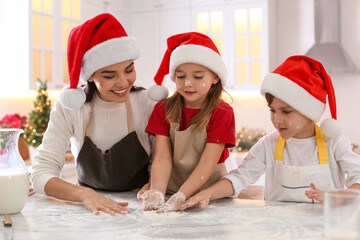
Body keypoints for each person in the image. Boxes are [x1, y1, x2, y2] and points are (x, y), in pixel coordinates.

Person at [179, 55, 360, 209]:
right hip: (279, 229)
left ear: (308, 111)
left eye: (286, 111)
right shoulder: (269, 144)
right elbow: (240, 177)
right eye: (272, 110)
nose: (277, 119)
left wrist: (340, 195)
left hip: (324, 227)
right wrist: (208, 194)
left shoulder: (334, 143)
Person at [30, 13, 155, 215]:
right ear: (90, 76)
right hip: (89, 212)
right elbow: (40, 173)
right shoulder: (71, 107)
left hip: (141, 210)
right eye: (109, 75)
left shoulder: (148, 103)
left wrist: (154, 187)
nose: (123, 82)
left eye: (129, 69)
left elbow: (163, 163)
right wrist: (83, 194)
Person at [137, 32, 236, 212]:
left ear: (215, 78)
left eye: (198, 77)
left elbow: (207, 162)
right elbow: (162, 157)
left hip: (208, 194)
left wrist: (182, 196)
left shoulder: (222, 113)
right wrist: (158, 191)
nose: (188, 83)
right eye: (181, 76)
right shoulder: (162, 109)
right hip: (171, 188)